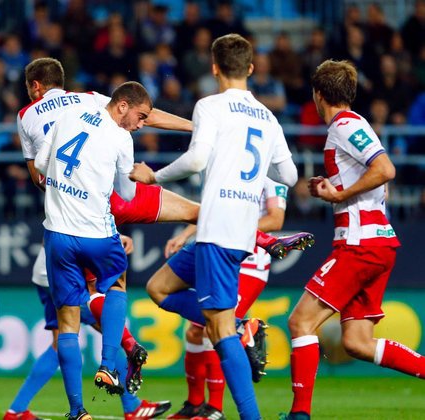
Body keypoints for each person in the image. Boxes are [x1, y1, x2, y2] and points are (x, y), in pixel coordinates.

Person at [130, 34, 299, 420]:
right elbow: (289, 176)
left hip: (218, 230)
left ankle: (249, 410)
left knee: (219, 332)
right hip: (237, 233)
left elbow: (196, 160)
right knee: (158, 288)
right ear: (251, 69)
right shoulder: (268, 117)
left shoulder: (209, 105)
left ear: (214, 68)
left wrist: (154, 177)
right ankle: (240, 326)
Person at [280, 60, 423, 420]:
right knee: (357, 342)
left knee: (300, 322)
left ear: (318, 94)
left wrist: (340, 195)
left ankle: (299, 414)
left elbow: (385, 170)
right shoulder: (353, 126)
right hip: (376, 242)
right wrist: (333, 188)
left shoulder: (345, 126)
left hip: (361, 244)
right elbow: (376, 180)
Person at [34, 81, 150, 420]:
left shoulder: (69, 115)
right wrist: (139, 175)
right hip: (96, 233)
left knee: (67, 322)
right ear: (122, 105)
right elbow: (127, 195)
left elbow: (40, 164)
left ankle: (77, 411)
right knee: (117, 283)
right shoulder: (121, 138)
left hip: (57, 234)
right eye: (141, 116)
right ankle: (108, 365)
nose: (141, 124)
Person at [162, 178, 297, 420]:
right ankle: (195, 404)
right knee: (195, 331)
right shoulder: (233, 173)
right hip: (220, 254)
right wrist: (186, 234)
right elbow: (213, 212)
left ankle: (215, 408)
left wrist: (235, 230)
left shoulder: (273, 179)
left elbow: (275, 219)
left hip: (250, 263)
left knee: (214, 328)